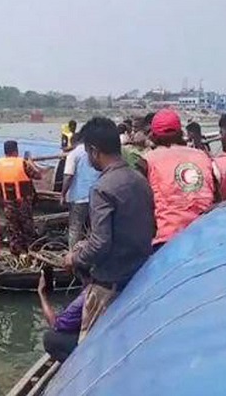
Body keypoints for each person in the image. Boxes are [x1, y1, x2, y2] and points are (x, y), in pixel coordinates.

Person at [64, 117, 155, 341]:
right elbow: (151, 228)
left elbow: (100, 243)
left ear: (94, 151)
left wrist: (74, 258)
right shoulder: (139, 180)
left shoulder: (103, 188)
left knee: (90, 347)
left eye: (87, 152)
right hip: (139, 276)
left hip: (109, 284)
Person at [138, 109, 215, 249]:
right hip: (206, 235)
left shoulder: (148, 160)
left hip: (168, 239)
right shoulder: (203, 156)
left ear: (154, 136)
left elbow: (140, 204)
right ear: (181, 133)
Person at [0, 140, 42, 255]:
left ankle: (16, 253)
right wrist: (31, 163)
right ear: (16, 150)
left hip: (7, 203)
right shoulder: (22, 163)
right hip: (23, 203)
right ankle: (31, 253)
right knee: (27, 229)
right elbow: (38, 175)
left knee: (13, 230)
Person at [60, 129, 101, 249]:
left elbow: (68, 176)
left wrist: (63, 194)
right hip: (97, 196)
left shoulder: (74, 154)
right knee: (94, 228)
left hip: (79, 198)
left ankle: (72, 255)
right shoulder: (95, 153)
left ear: (74, 142)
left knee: (75, 228)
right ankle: (93, 254)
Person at [38, 273, 84, 362]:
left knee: (49, 338)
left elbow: (55, 324)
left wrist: (42, 293)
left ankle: (73, 363)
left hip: (84, 343)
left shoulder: (84, 298)